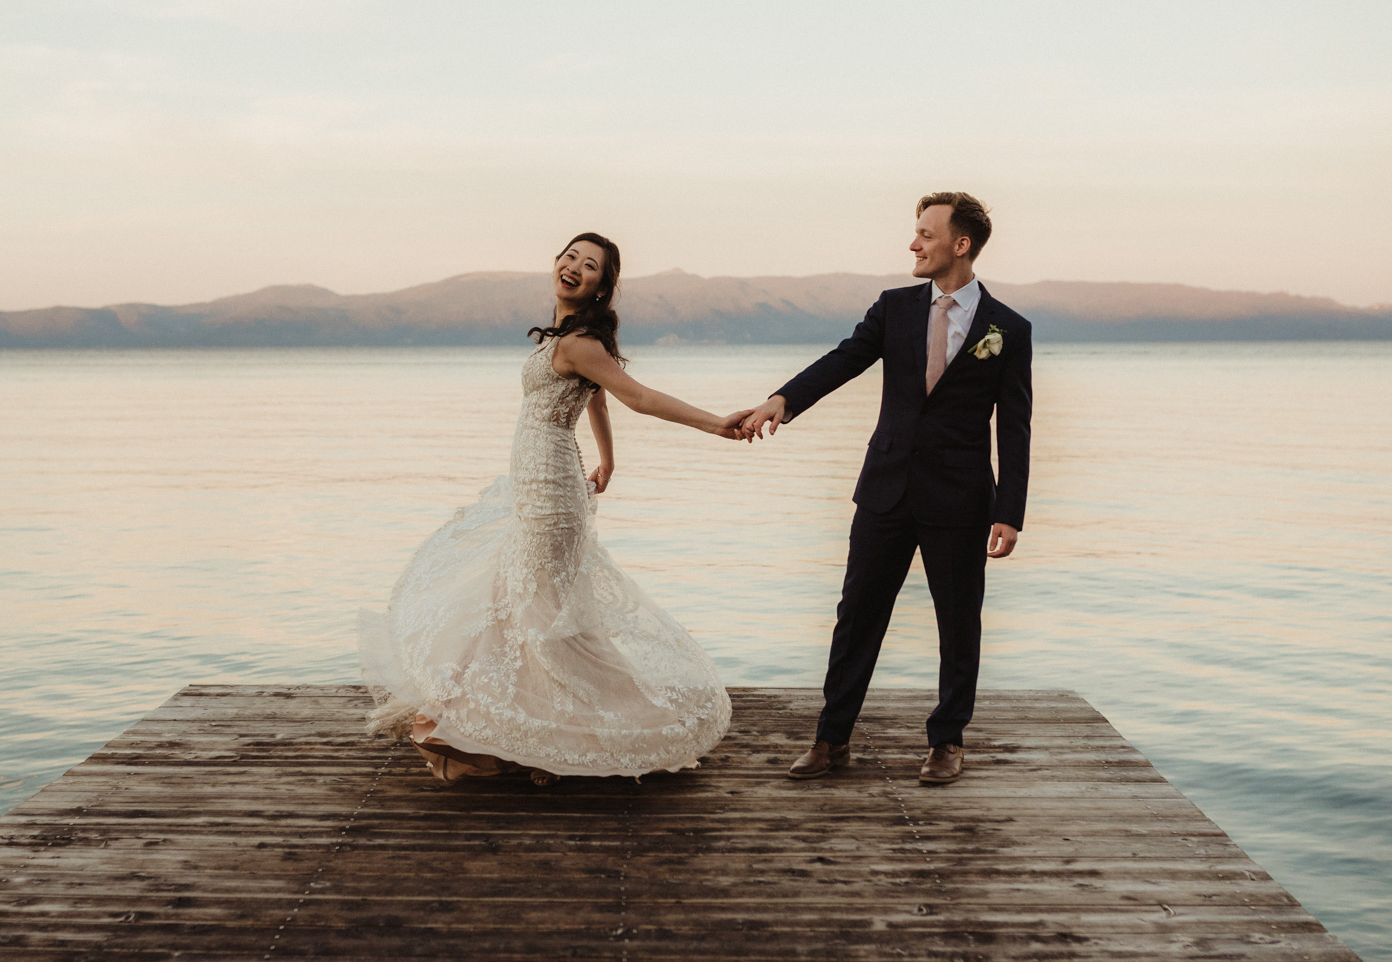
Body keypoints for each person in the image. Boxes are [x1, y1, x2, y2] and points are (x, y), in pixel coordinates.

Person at [359, 232, 750, 786]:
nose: (573, 267)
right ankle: (539, 735)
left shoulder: (580, 343)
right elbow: (597, 397)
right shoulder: (568, 339)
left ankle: (594, 731)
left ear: (600, 286)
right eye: (569, 256)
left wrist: (716, 423)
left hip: (550, 495)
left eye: (589, 266)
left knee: (544, 618)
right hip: (538, 486)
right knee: (527, 609)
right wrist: (607, 462)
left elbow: (636, 396)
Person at [741, 192, 1032, 785]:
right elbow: (844, 359)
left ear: (961, 244)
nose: (913, 244)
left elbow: (1017, 425)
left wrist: (1010, 511)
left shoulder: (1009, 328)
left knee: (958, 622)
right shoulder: (894, 308)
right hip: (885, 489)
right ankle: (831, 738)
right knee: (857, 616)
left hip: (960, 498)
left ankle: (946, 741)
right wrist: (783, 399)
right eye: (915, 232)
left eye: (926, 234)